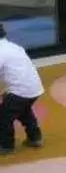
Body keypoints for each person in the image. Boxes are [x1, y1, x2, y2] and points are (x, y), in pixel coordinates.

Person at [0, 23, 44, 154]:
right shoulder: (14, 47)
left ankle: (6, 145)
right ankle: (35, 137)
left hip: (20, 91)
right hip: (34, 88)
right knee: (23, 111)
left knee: (3, 117)